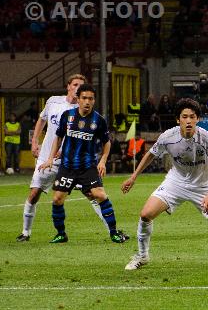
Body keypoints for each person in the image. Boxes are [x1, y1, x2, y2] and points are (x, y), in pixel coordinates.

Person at [121, 98, 208, 270]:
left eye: (192, 117)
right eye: (184, 117)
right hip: (176, 182)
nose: (188, 121)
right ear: (178, 119)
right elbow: (151, 154)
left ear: (197, 119)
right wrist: (133, 176)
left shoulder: (206, 137)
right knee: (146, 214)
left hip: (204, 184)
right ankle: (142, 256)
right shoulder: (168, 137)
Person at [16, 75, 128, 242]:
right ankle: (56, 233)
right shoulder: (64, 112)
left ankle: (113, 232)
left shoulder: (98, 120)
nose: (87, 101)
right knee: (54, 198)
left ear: (94, 100)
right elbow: (57, 137)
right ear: (76, 94)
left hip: (87, 167)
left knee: (98, 196)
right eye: (84, 97)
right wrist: (49, 157)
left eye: (91, 98)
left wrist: (103, 160)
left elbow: (106, 142)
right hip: (65, 166)